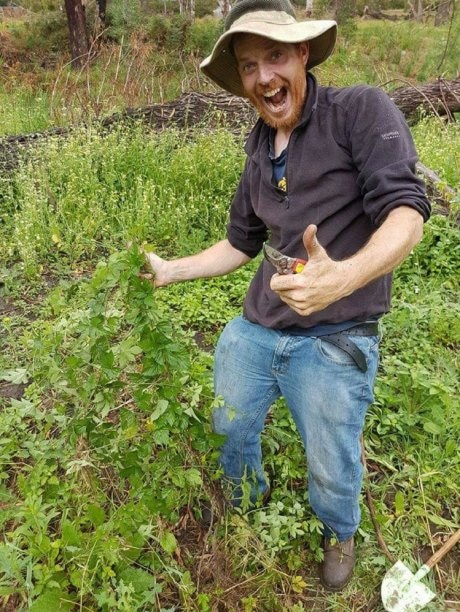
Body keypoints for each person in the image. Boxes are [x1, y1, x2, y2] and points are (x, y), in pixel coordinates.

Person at [144, 0, 431, 591]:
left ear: (303, 53)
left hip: (337, 333)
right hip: (260, 326)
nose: (264, 77)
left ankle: (338, 530)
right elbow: (239, 245)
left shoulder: (359, 111)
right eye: (249, 66)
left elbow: (407, 210)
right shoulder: (256, 150)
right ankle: (246, 501)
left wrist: (342, 278)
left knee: (331, 457)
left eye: (275, 56)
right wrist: (170, 270)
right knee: (229, 423)